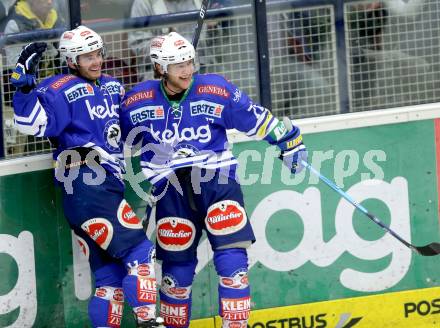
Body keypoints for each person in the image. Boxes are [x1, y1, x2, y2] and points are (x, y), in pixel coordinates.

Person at [120, 32, 308, 327]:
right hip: (171, 191)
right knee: (176, 274)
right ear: (159, 68)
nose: (187, 70)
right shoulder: (136, 101)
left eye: (189, 61)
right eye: (178, 65)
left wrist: (287, 139)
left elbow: (254, 117)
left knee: (232, 262)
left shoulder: (215, 89)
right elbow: (113, 138)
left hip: (217, 182)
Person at [10, 25, 164, 328]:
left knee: (110, 279)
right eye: (86, 57)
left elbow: (133, 128)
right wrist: (25, 91)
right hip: (87, 183)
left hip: (102, 188)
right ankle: (148, 322)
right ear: (70, 61)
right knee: (140, 251)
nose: (95, 62)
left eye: (97, 54)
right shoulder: (59, 88)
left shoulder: (112, 87)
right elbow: (30, 123)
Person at [128, 0, 219, 81]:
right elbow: (137, 45)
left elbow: (219, 48)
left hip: (202, 69)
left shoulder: (201, 2)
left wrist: (212, 29)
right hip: (160, 75)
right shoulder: (144, 3)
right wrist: (165, 44)